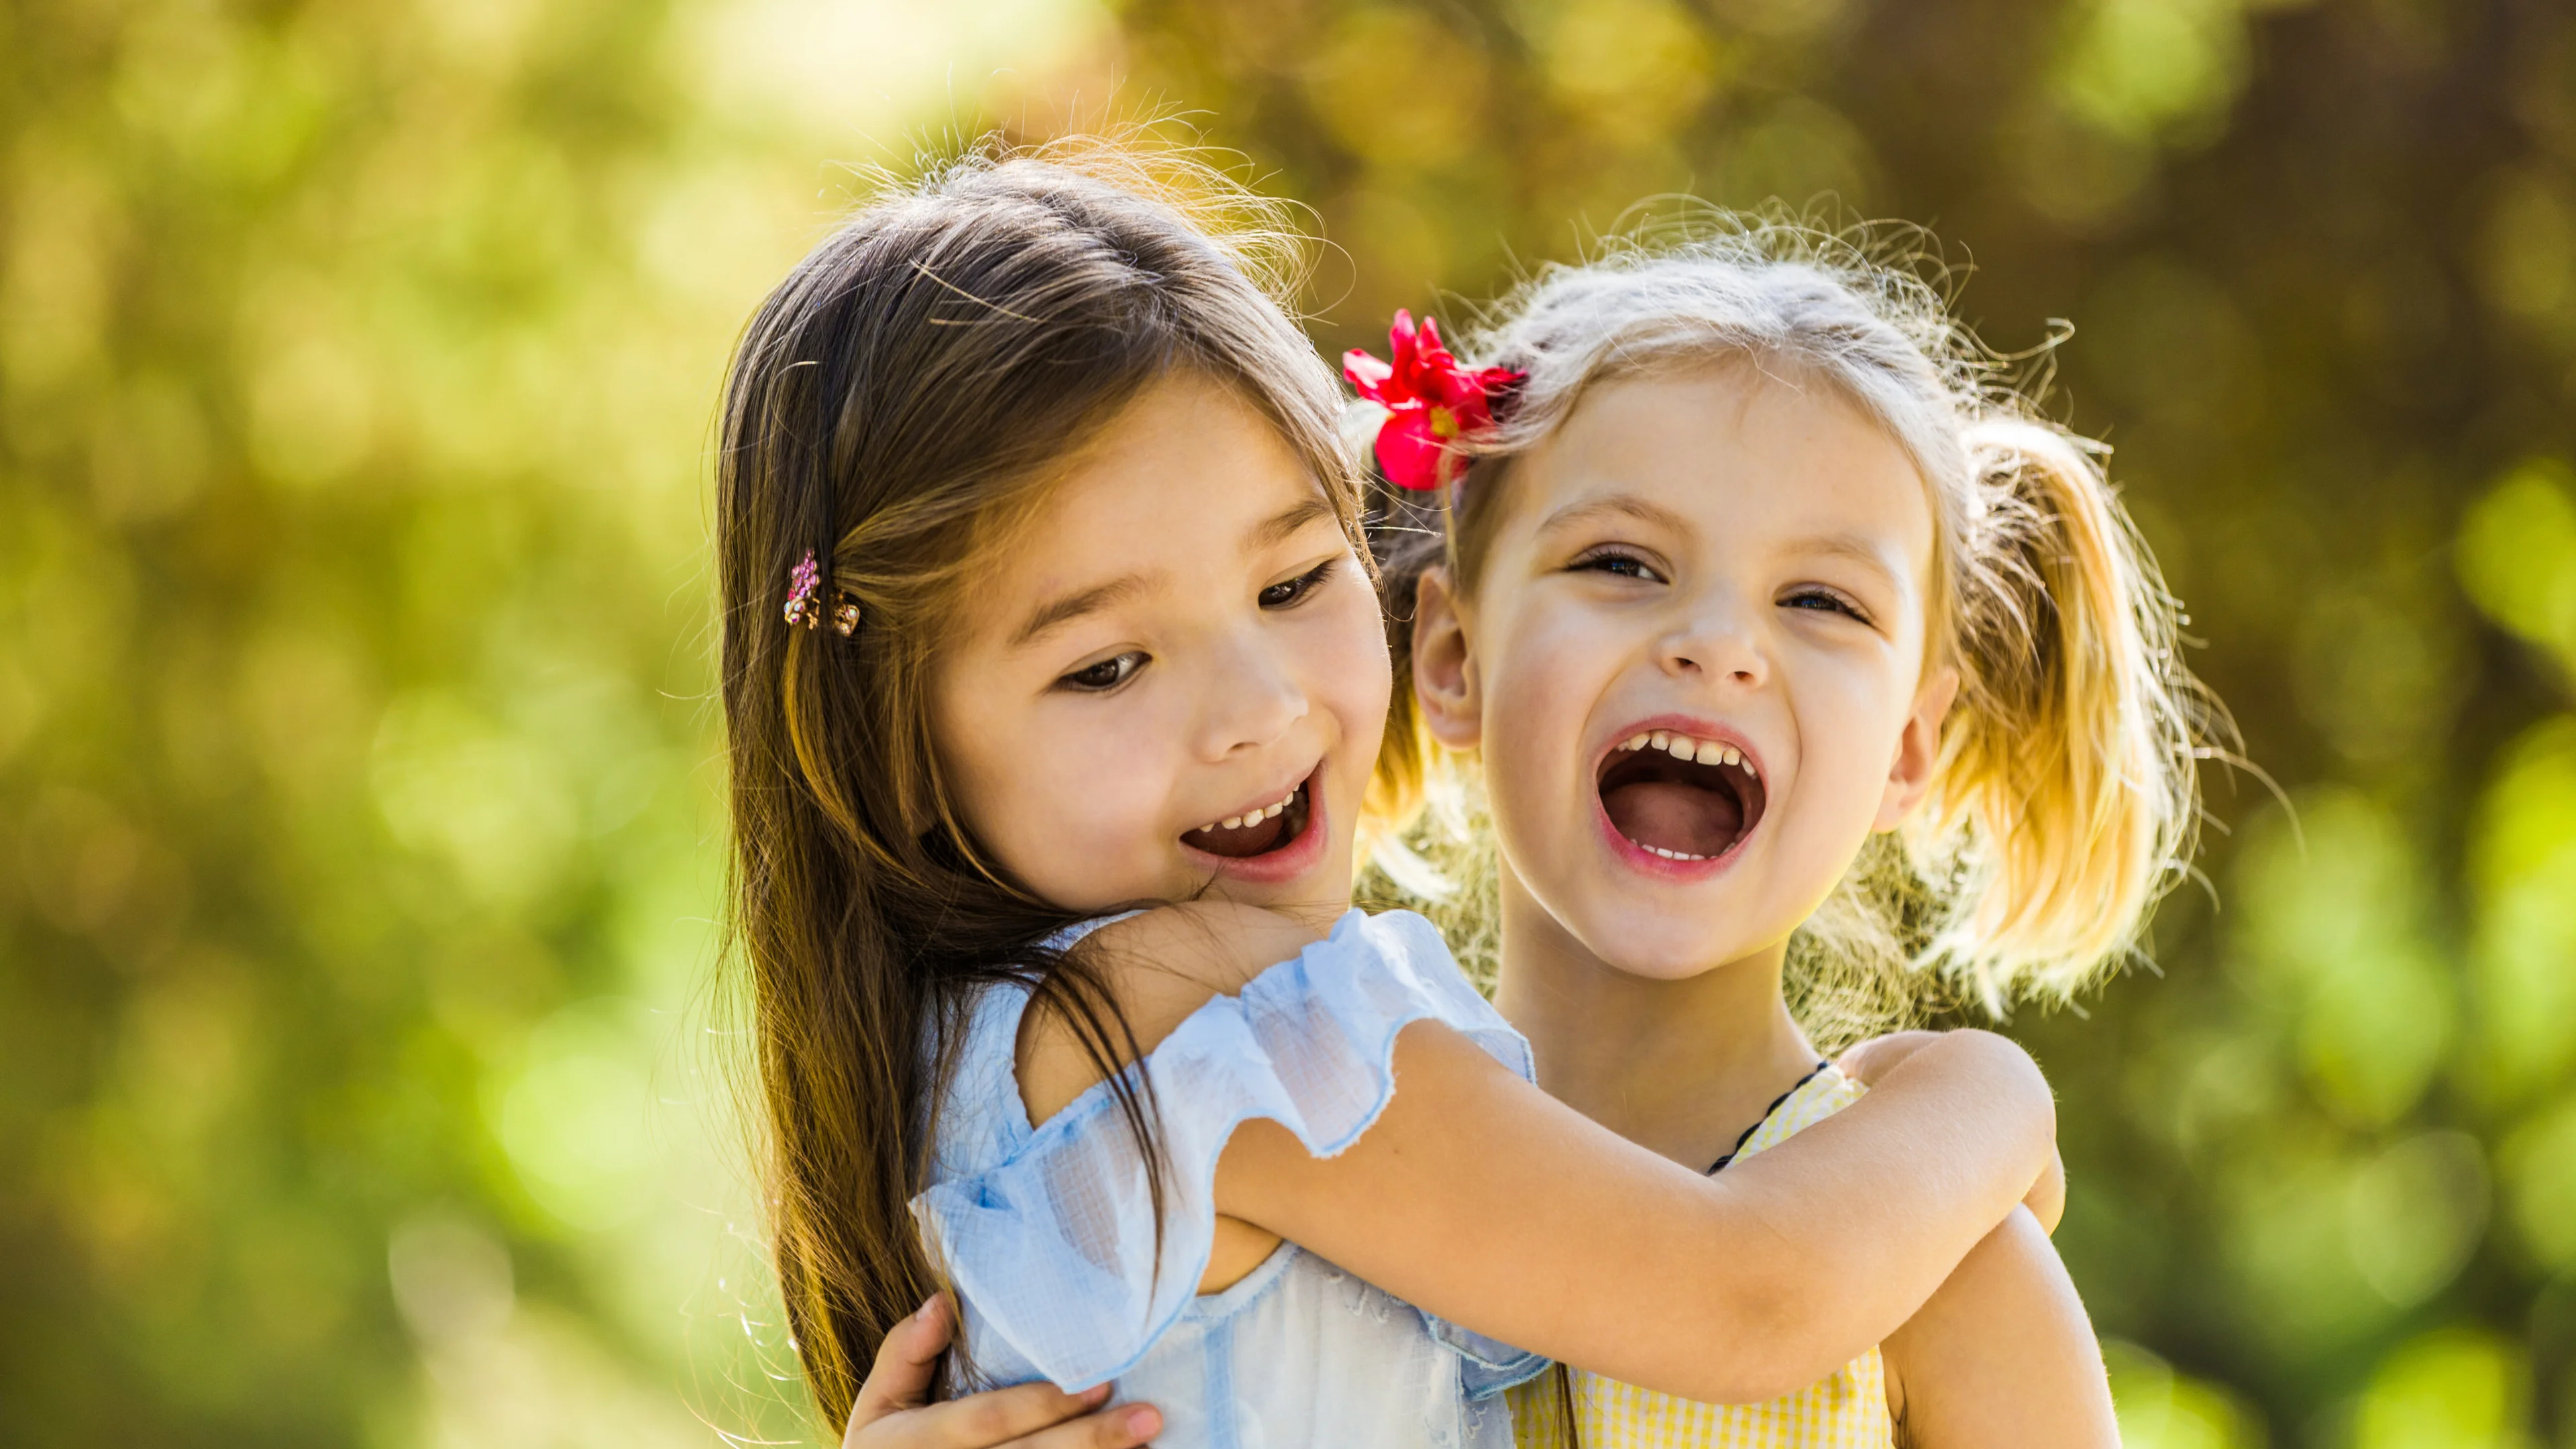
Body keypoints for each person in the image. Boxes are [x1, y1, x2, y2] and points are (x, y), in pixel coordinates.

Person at [716, 141, 2061, 1449]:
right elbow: (1749, 1297)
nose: (1258, 711)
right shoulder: (1194, 1005)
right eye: (1107, 665)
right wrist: (1994, 1094)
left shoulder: (991, 1050)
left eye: (1294, 583)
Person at [1350, 218, 2214, 1446]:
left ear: (1908, 747)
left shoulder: (1948, 1284)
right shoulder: (1320, 1144)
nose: (1717, 643)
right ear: (1453, 657)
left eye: (1820, 599)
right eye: (1621, 563)